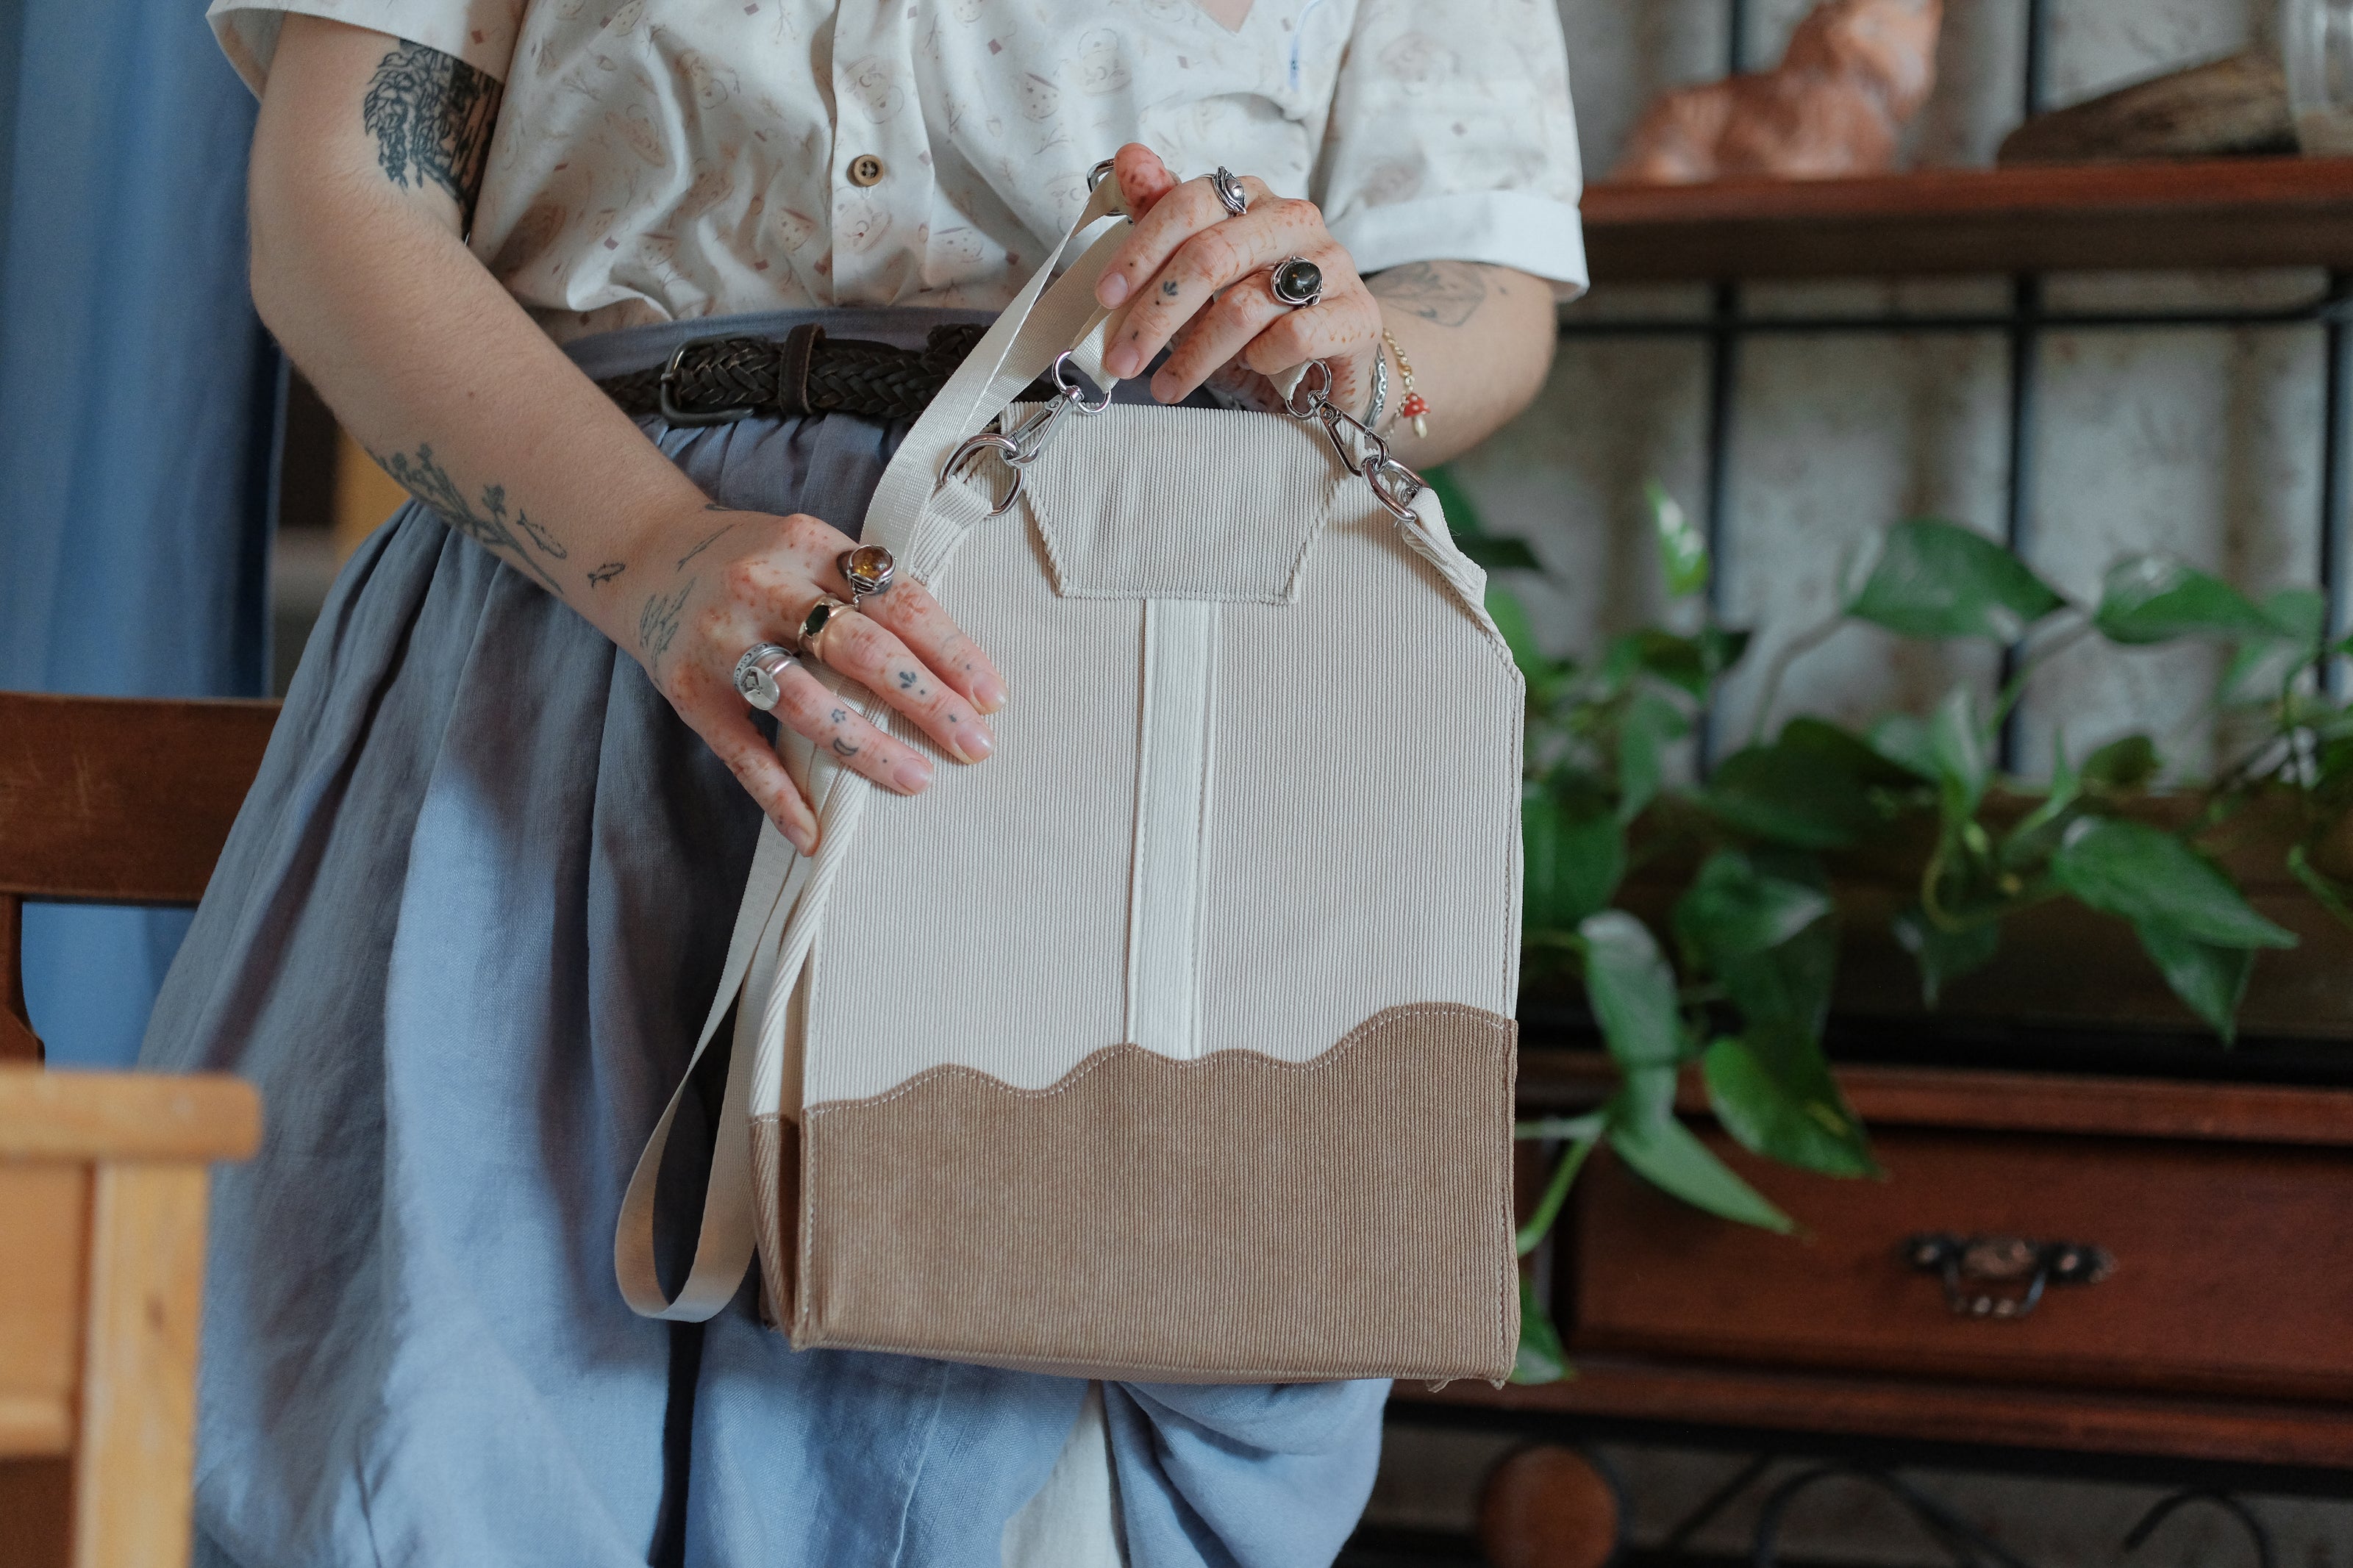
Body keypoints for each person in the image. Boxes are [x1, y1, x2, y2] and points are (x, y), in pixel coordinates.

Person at [146, 2, 1586, 1564]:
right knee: (438, 1424)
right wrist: (651, 555)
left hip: (1091, 689)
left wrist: (1352, 339)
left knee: (1016, 1446)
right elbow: (341, 199)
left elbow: (1478, 283)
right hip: (561, 639)